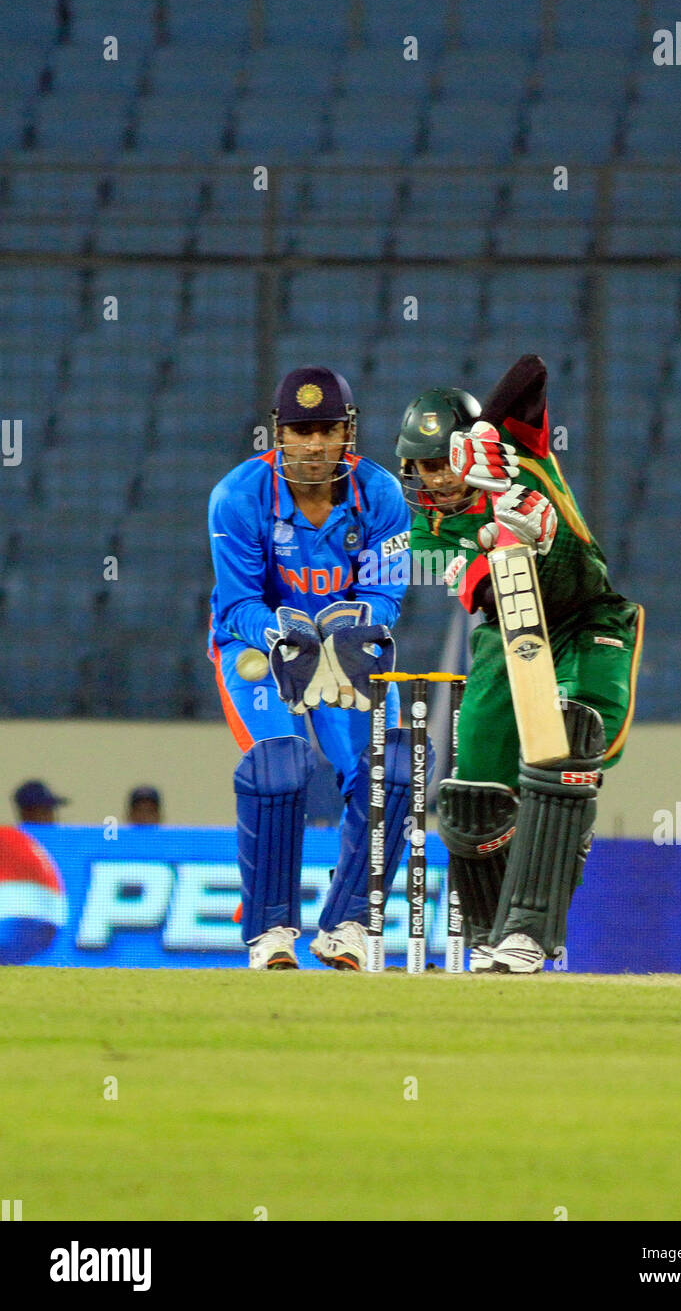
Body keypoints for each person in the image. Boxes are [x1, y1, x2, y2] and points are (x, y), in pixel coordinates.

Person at [396, 354, 644, 974]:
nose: (434, 478)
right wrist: (510, 537)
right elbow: (485, 592)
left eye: (441, 461)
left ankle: (530, 935)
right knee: (473, 795)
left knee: (566, 750)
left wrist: (491, 442)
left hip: (589, 624)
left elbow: (531, 370)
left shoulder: (516, 446)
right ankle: (490, 938)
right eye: (421, 466)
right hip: (509, 635)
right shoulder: (423, 534)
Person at [208, 366, 424, 972]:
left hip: (342, 646)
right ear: (279, 434)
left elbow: (386, 597)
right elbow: (239, 603)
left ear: (347, 432)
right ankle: (270, 931)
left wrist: (344, 634)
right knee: (280, 766)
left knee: (394, 769)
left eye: (327, 429)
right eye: (301, 430)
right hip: (259, 647)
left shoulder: (380, 494)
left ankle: (348, 924)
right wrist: (284, 635)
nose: (314, 444)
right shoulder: (238, 496)